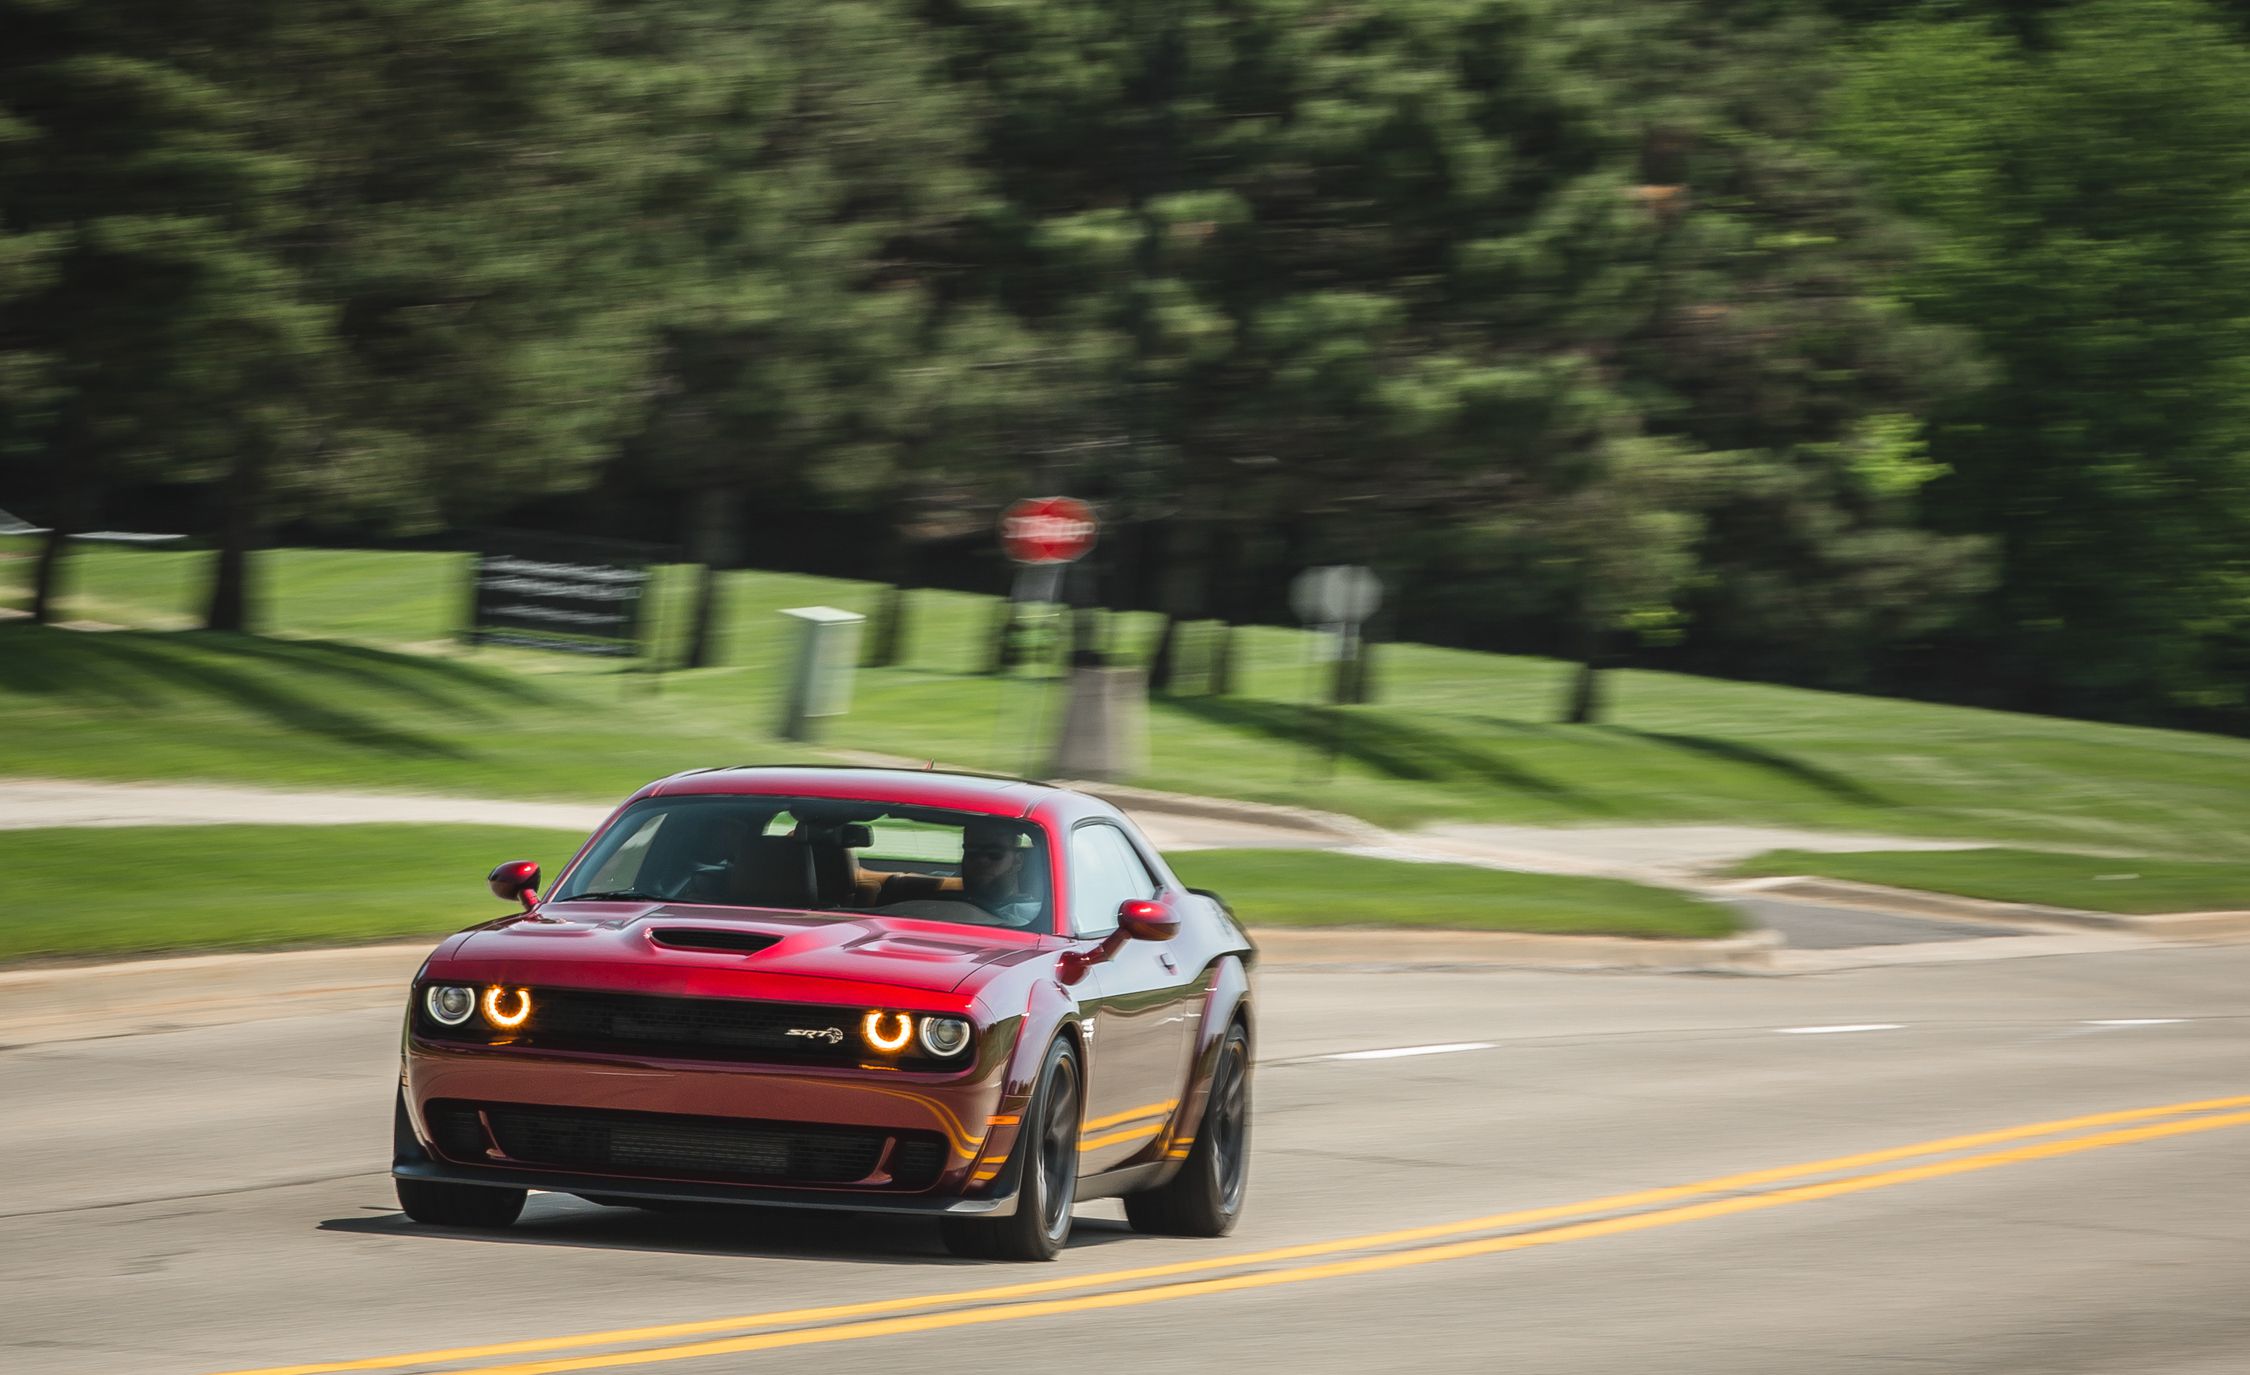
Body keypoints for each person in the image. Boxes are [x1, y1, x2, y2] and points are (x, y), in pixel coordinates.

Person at [960, 820, 1043, 926]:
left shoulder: (1030, 916)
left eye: (994, 854)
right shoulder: (947, 905)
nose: (981, 861)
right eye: (972, 853)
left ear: (1018, 861)